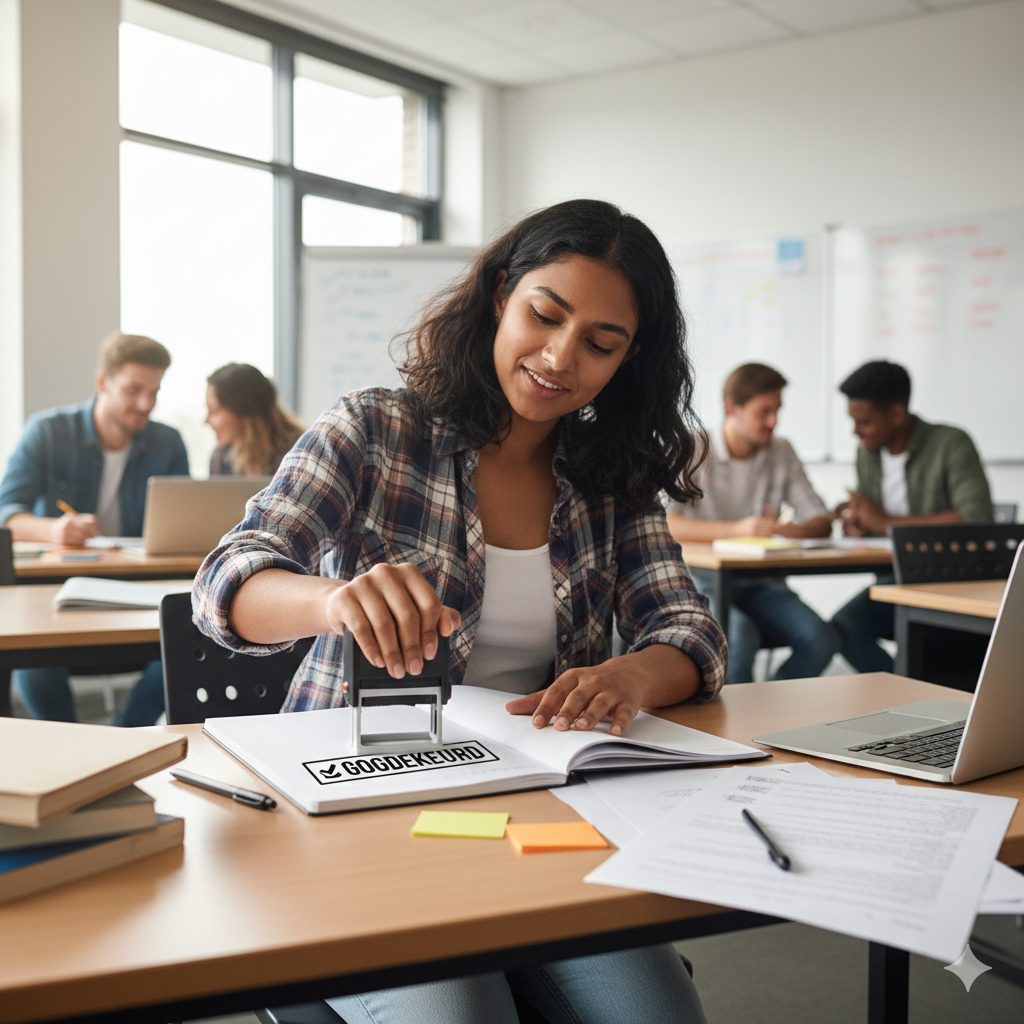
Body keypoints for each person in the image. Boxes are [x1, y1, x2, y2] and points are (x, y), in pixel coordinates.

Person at [192, 199, 725, 1024]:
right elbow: (227, 580)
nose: (559, 358)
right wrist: (335, 601)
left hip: (544, 824)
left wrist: (631, 675)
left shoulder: (610, 476)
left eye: (600, 343)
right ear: (502, 295)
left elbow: (689, 633)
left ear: (630, 358)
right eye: (545, 316)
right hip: (368, 819)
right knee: (464, 1012)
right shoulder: (376, 428)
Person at [0, 332, 189, 725]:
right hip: (54, 587)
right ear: (102, 382)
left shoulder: (167, 442)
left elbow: (183, 525)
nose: (145, 405)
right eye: (134, 390)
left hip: (137, 583)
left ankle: (120, 739)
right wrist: (53, 531)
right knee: (35, 661)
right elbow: (6, 513)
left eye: (154, 392)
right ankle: (67, 745)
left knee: (186, 642)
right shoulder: (48, 432)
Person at [666, 362, 837, 684]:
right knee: (739, 637)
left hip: (761, 581)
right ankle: (733, 729)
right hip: (703, 580)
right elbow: (667, 523)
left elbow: (821, 518)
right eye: (764, 412)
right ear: (732, 407)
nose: (773, 422)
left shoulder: (781, 451)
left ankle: (768, 716)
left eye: (778, 411)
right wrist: (738, 529)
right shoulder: (693, 448)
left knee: (820, 638)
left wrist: (792, 531)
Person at [831, 359, 994, 671]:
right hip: (894, 579)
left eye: (864, 422)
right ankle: (900, 685)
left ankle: (910, 685)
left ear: (896, 412)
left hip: (948, 581)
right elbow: (878, 525)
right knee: (845, 627)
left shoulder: (951, 443)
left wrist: (886, 523)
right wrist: (861, 526)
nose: (855, 431)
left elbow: (977, 520)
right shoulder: (867, 454)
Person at [205, 362, 303, 476]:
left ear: (242, 411)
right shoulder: (220, 458)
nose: (206, 421)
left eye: (214, 411)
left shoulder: (298, 454)